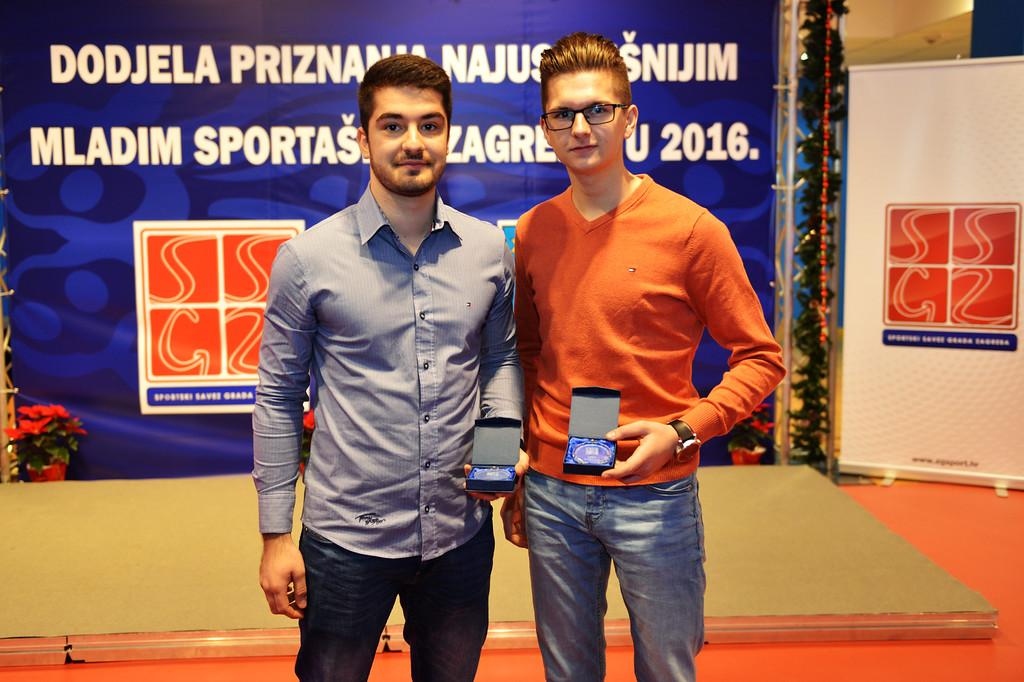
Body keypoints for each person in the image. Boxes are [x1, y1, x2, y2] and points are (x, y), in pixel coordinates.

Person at [503, 32, 786, 681]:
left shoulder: (692, 231)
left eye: (598, 110)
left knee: (666, 670)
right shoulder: (534, 230)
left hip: (654, 494)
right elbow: (531, 353)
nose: (581, 128)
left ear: (629, 118)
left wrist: (683, 431)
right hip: (552, 494)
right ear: (545, 129)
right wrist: (523, 469)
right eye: (563, 114)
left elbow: (760, 357)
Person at [253, 54, 524, 682]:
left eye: (429, 125)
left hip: (459, 534)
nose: (412, 142)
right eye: (392, 125)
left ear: (448, 135)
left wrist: (497, 454)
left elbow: (501, 359)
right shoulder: (307, 259)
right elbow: (278, 398)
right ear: (362, 138)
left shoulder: (488, 249)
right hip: (345, 542)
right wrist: (275, 536)